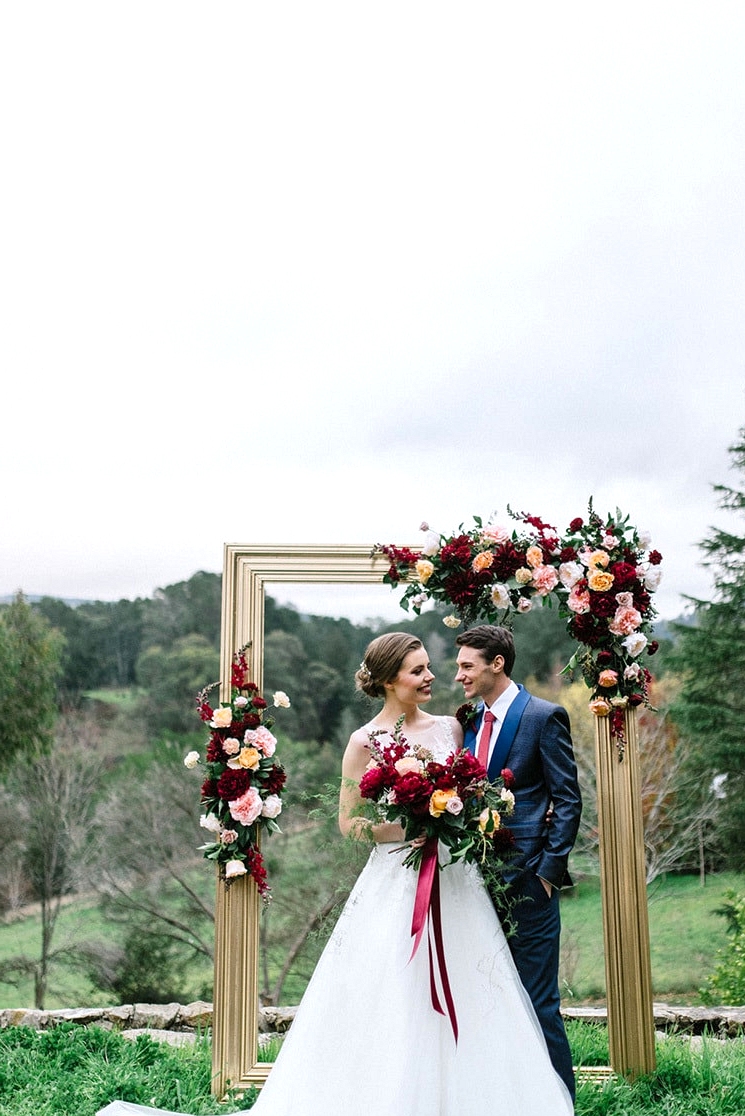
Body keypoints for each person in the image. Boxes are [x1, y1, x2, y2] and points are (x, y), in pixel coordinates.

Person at [96, 632, 573, 1116]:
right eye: (418, 670)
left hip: (456, 878)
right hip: (397, 878)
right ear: (389, 681)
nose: (432, 677)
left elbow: (481, 789)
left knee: (475, 987)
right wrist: (412, 825)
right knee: (395, 990)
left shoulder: (453, 728)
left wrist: (454, 817)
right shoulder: (362, 742)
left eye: (430, 667)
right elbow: (351, 824)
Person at [454, 623, 582, 1102]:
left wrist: (549, 872)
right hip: (471, 882)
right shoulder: (468, 719)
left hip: (529, 879)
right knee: (488, 997)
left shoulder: (543, 716)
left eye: (467, 665)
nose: (459, 675)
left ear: (496, 664)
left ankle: (559, 1102)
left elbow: (568, 799)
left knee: (538, 1000)